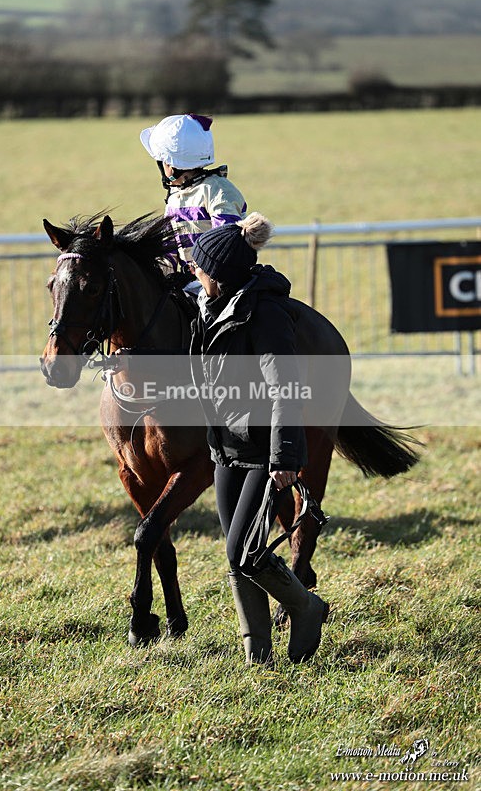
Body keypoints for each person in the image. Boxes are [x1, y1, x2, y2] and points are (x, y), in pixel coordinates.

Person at [189, 212, 329, 667]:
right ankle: (258, 655)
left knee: (244, 551)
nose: (192, 269)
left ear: (218, 275)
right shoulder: (208, 306)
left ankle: (307, 607)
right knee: (237, 556)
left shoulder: (265, 314)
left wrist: (284, 456)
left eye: (198, 265)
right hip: (224, 449)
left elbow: (285, 388)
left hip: (264, 453)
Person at [140, 113, 247, 273]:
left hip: (222, 280)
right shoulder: (174, 198)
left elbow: (225, 246)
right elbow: (168, 252)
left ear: (170, 165)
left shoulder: (218, 190)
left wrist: (202, 276)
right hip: (193, 282)